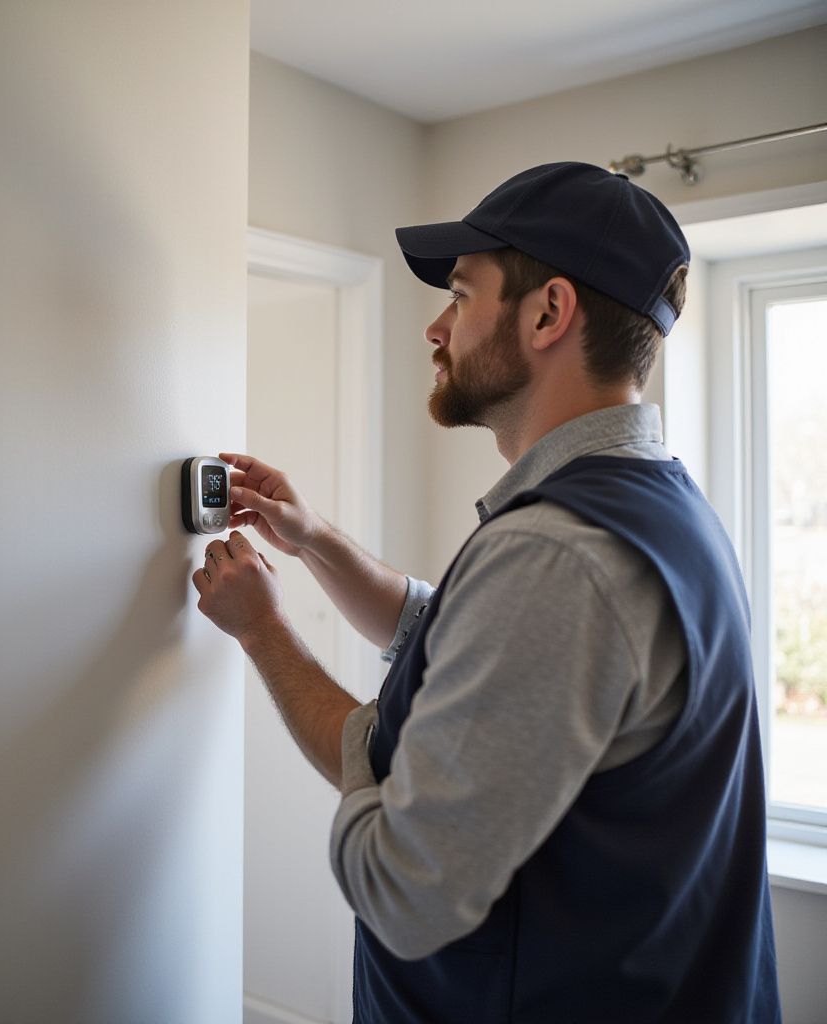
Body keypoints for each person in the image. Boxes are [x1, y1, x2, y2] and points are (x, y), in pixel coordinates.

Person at [191, 161, 781, 1022]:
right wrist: (314, 541)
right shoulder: (655, 507)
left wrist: (264, 634)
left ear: (549, 313)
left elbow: (402, 884)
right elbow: (461, 639)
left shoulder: (556, 558)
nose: (436, 327)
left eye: (462, 296)